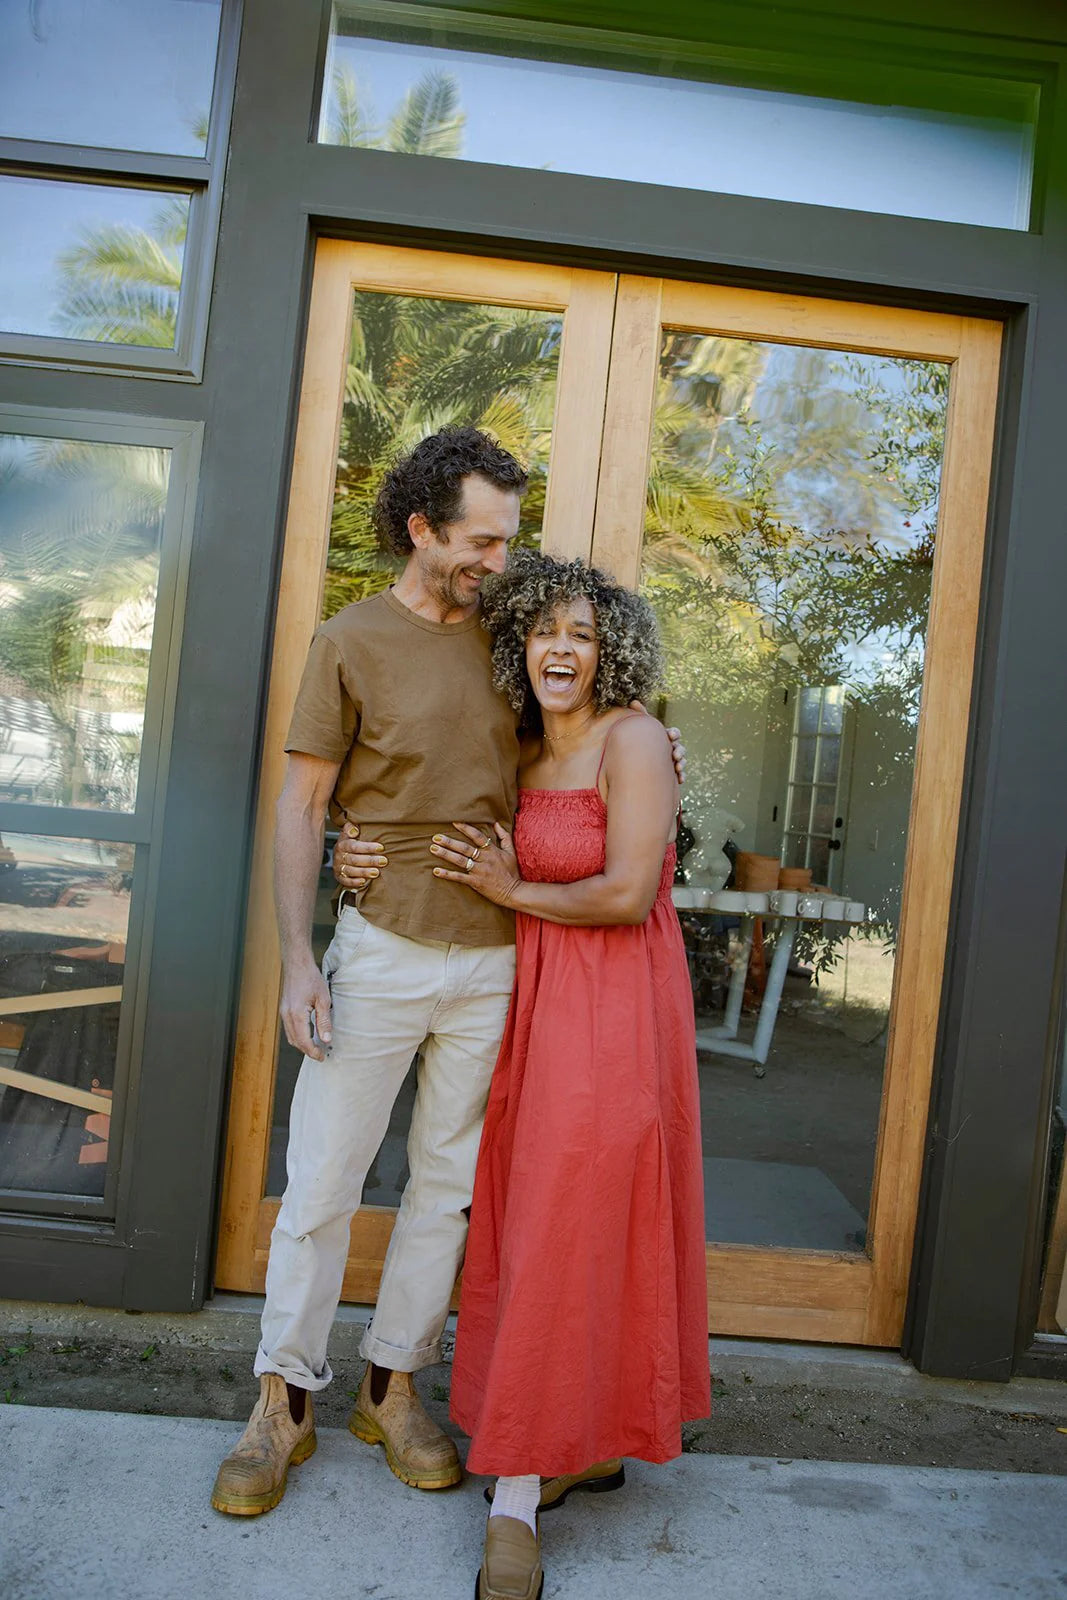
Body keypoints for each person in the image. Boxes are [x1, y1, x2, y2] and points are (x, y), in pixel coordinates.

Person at [210, 427, 684, 1518]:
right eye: (480, 540)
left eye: (507, 540)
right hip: (378, 950)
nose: (497, 561)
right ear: (421, 530)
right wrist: (300, 953)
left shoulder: (517, 638)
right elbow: (301, 803)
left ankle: (392, 1384)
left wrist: (651, 757)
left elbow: (578, 742)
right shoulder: (348, 639)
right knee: (323, 1181)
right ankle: (280, 1401)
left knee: (448, 1190)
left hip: (503, 962)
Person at [426, 550, 710, 1600]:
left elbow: (629, 891)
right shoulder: (519, 752)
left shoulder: (633, 740)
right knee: (536, 1215)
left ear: (609, 653)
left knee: (567, 1216)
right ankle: (575, 1436)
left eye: (582, 633)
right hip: (535, 1004)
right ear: (518, 646)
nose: (561, 647)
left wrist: (510, 886)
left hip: (613, 1010)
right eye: (544, 629)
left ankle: (511, 1496)